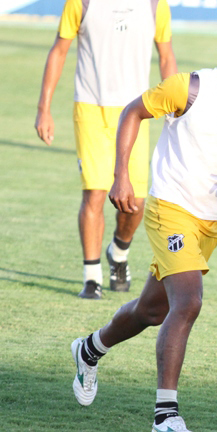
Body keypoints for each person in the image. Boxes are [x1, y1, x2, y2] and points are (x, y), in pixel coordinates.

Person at [70, 26, 217, 432]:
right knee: (188, 302)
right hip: (171, 208)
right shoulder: (190, 88)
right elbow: (132, 112)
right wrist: (122, 175)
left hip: (214, 222)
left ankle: (89, 350)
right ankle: (165, 415)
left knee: (151, 311)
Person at [35, 0, 178, 299]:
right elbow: (59, 50)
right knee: (95, 192)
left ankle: (119, 251)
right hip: (91, 109)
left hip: (137, 112)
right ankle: (92, 278)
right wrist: (44, 108)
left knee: (134, 202)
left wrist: (174, 105)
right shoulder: (81, 2)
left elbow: (166, 56)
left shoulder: (154, 4)